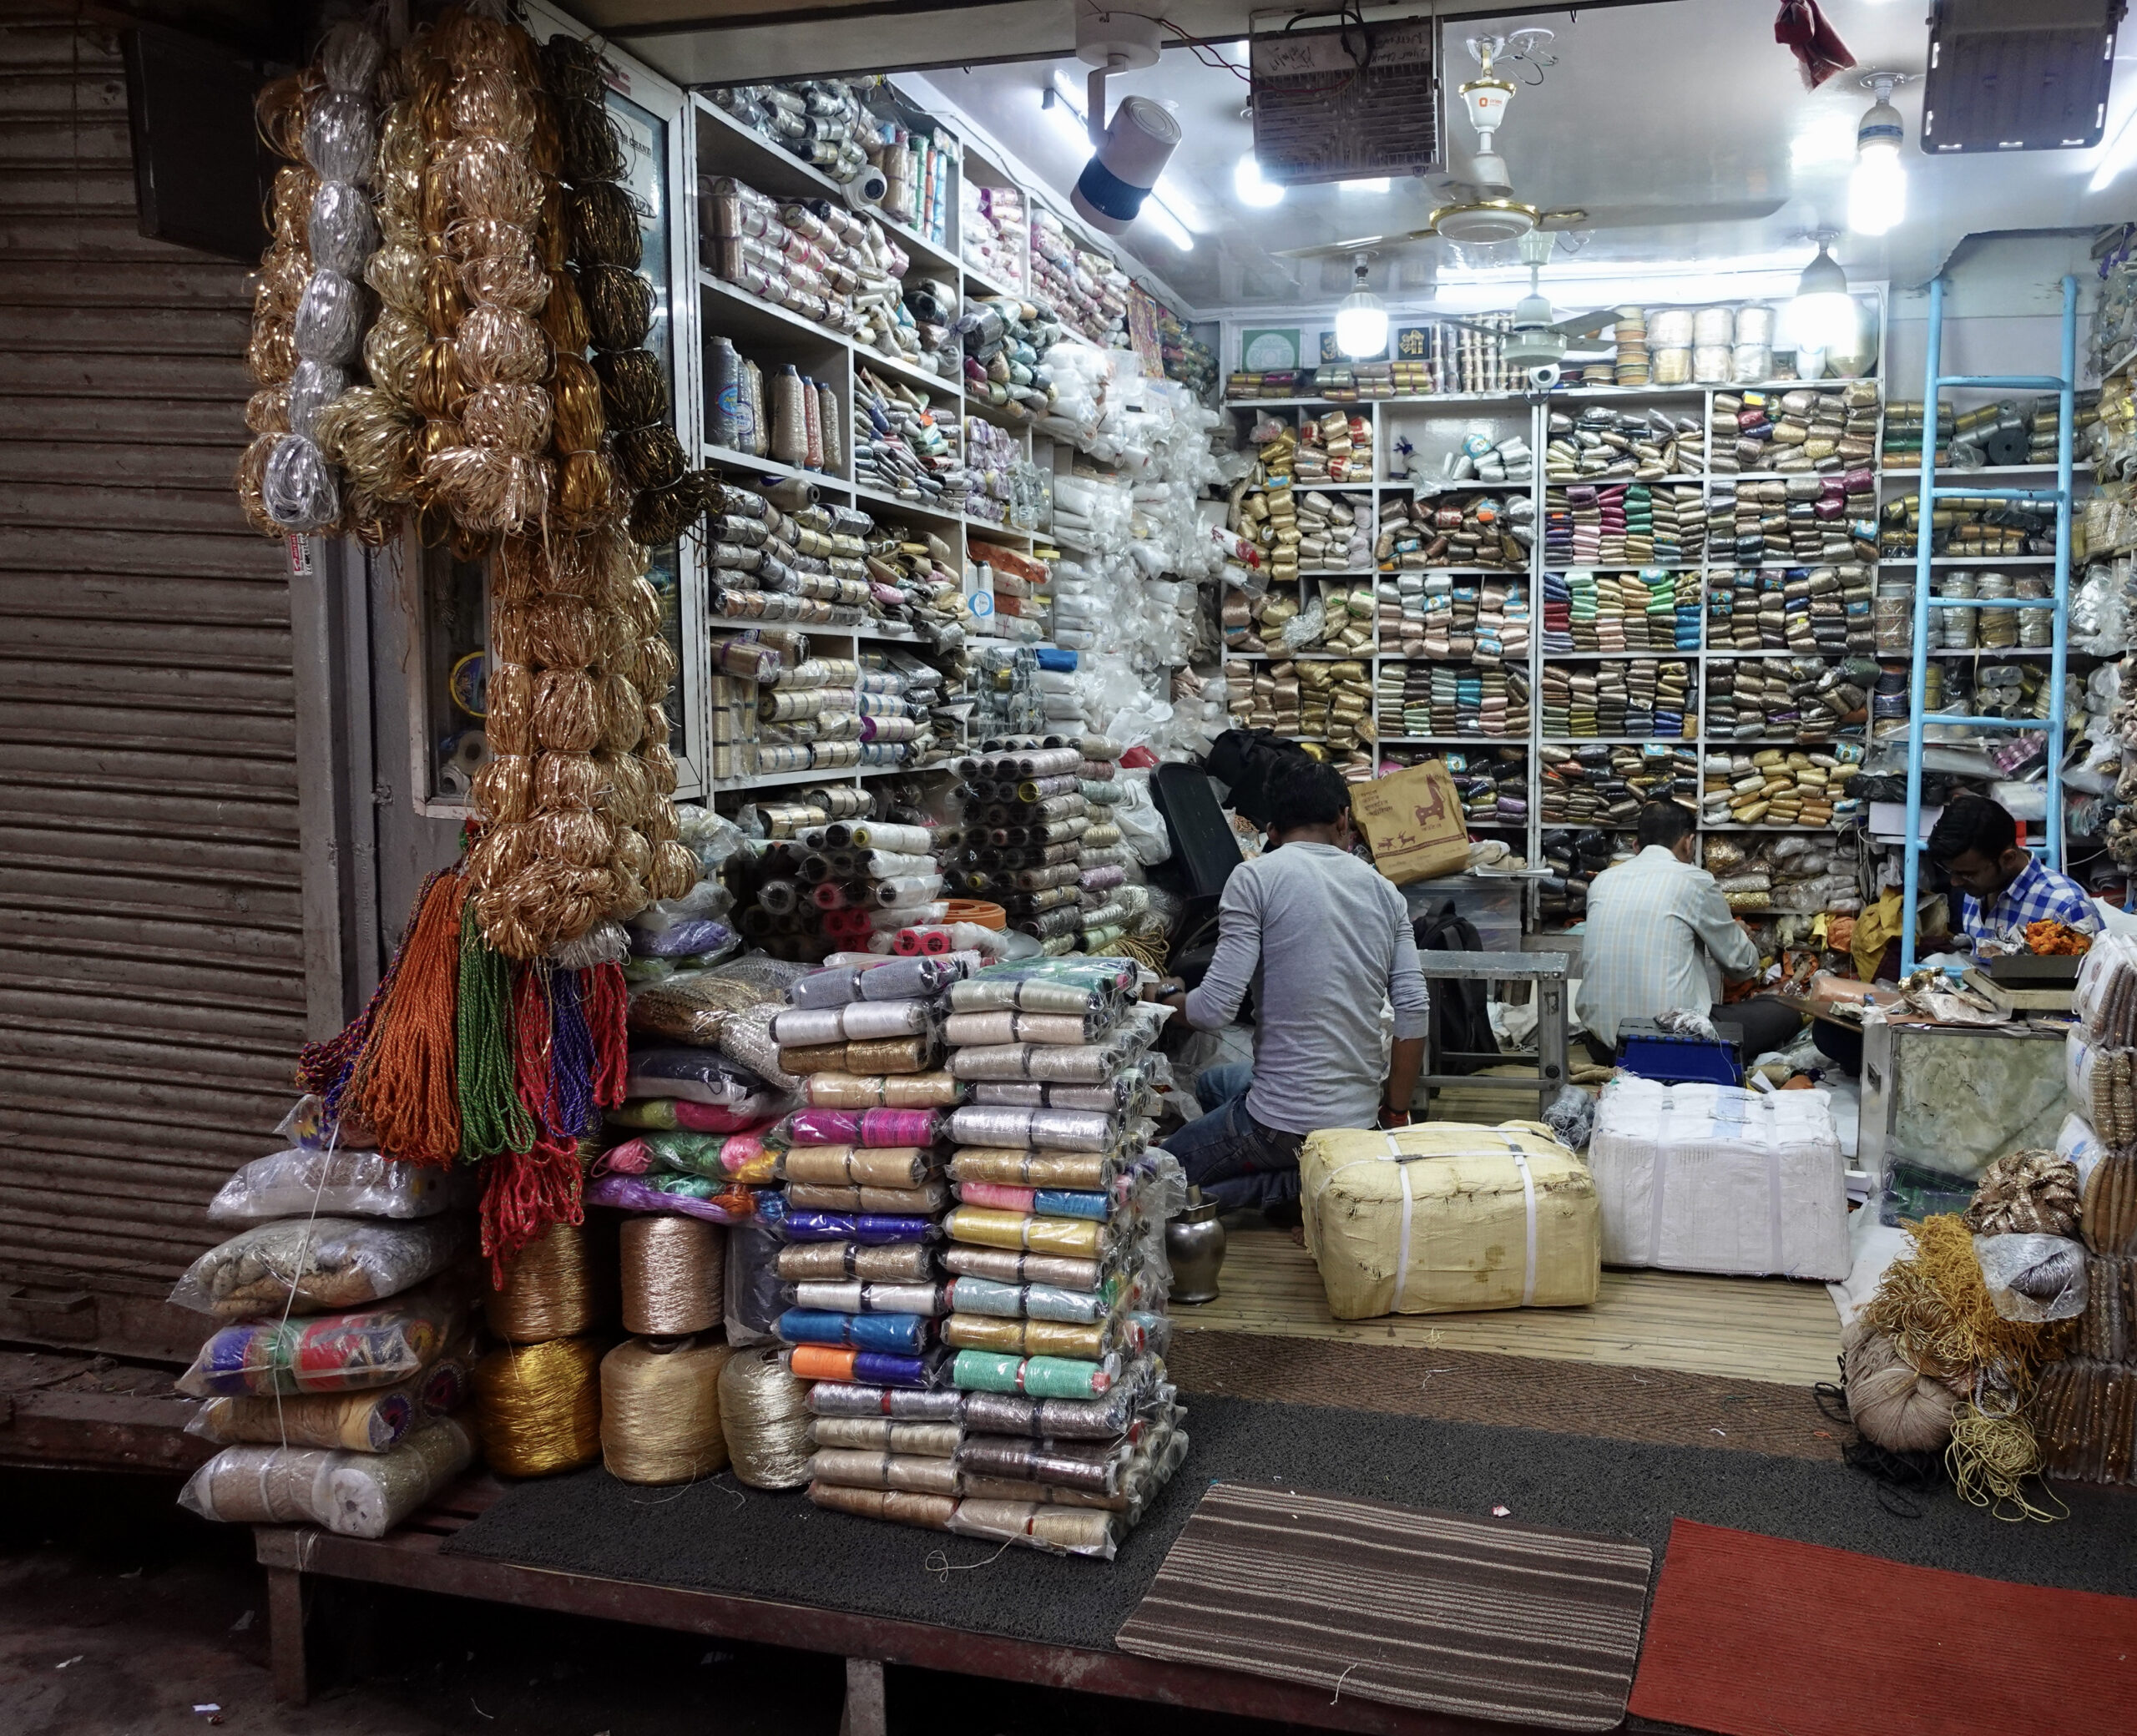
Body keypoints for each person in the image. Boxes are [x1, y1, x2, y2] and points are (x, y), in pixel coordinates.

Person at [1147, 756, 1429, 1224]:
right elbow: (1414, 1012)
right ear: (1343, 819)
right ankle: (1307, 1179)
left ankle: (1288, 1185)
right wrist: (1394, 1115)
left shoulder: (1256, 877)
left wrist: (1161, 1000)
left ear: (1273, 829)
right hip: (1357, 1121)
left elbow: (1214, 1010)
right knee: (1218, 1082)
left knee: (1152, 1177)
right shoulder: (1385, 892)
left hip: (1277, 1126)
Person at [1574, 800, 1803, 1061]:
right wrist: (1738, 932)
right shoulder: (1695, 880)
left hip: (1605, 1047)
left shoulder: (1602, 881)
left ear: (1636, 846)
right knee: (1784, 1012)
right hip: (1672, 1045)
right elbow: (1742, 967)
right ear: (1689, 843)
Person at [1927, 794, 2100, 946]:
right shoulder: (1976, 891)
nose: (1955, 882)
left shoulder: (2066, 907)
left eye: (1967, 874)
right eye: (1952, 871)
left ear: (2008, 858)